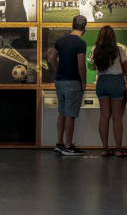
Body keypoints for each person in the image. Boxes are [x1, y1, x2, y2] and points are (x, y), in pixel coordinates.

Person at [87, 25, 127, 157]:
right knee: (117, 118)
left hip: (101, 82)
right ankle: (119, 149)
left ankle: (105, 148)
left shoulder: (95, 49)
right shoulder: (119, 49)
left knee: (104, 116)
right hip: (116, 82)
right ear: (113, 36)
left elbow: (91, 65)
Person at [48, 15, 87, 156]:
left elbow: (52, 58)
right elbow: (81, 65)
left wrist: (57, 71)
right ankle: (69, 146)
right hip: (73, 81)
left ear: (72, 25)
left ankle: (59, 143)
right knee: (70, 114)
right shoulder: (80, 43)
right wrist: (84, 81)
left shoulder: (61, 40)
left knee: (62, 112)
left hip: (60, 81)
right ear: (85, 27)